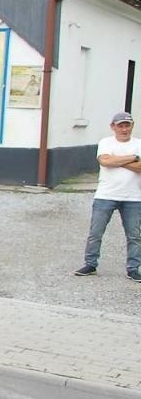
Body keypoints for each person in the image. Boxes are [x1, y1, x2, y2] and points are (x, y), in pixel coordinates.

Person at [73, 111, 140, 282]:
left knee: (134, 235)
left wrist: (116, 161)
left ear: (132, 126)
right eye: (121, 125)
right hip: (106, 195)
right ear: (113, 127)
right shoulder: (106, 142)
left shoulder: (139, 144)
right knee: (96, 232)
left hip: (133, 197)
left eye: (127, 125)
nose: (124, 129)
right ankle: (90, 264)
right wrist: (133, 158)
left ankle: (133, 268)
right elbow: (105, 162)